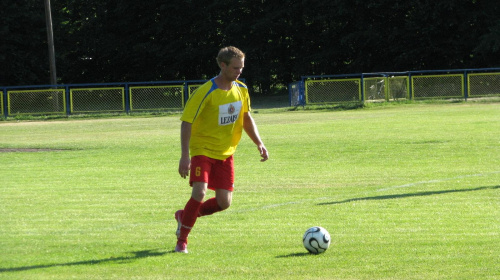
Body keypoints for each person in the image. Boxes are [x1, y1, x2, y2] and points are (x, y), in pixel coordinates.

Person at [174, 46, 269, 253]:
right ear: (222, 65)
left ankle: (186, 216)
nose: (239, 72)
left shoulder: (241, 90)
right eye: (235, 68)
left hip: (226, 153)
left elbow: (246, 117)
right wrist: (184, 156)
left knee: (224, 202)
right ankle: (182, 240)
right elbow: (186, 122)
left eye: (241, 68)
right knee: (199, 192)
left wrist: (259, 142)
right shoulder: (206, 91)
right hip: (203, 150)